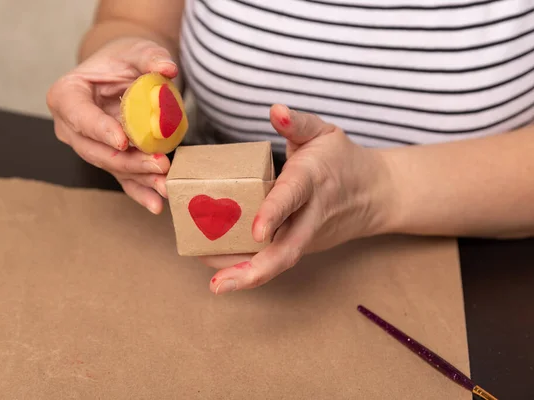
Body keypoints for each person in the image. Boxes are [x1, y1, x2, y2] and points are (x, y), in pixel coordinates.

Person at [46, 0, 534, 295]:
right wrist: (121, 67)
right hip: (180, 242)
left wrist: (383, 189)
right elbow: (132, 17)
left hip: (477, 273)